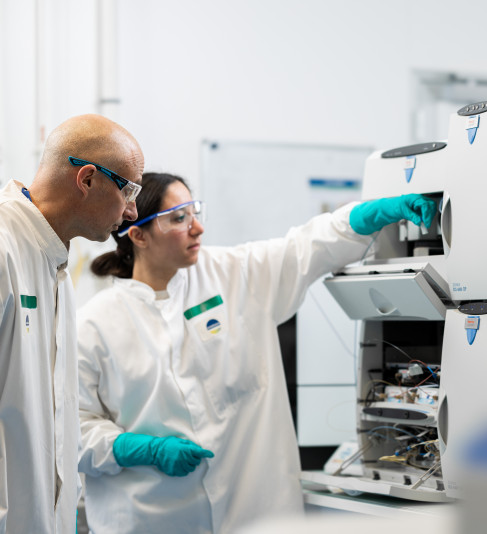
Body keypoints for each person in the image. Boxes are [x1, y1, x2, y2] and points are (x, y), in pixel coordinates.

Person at [77, 171, 435, 533]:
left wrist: (372, 213)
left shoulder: (232, 274)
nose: (197, 228)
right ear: (138, 235)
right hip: (149, 518)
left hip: (253, 510)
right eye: (179, 218)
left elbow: (306, 247)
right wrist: (135, 449)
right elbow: (70, 428)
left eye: (195, 212)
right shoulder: (96, 323)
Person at [0, 114, 143, 533]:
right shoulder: (4, 250)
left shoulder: (55, 267)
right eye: (129, 189)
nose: (133, 210)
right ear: (86, 179)